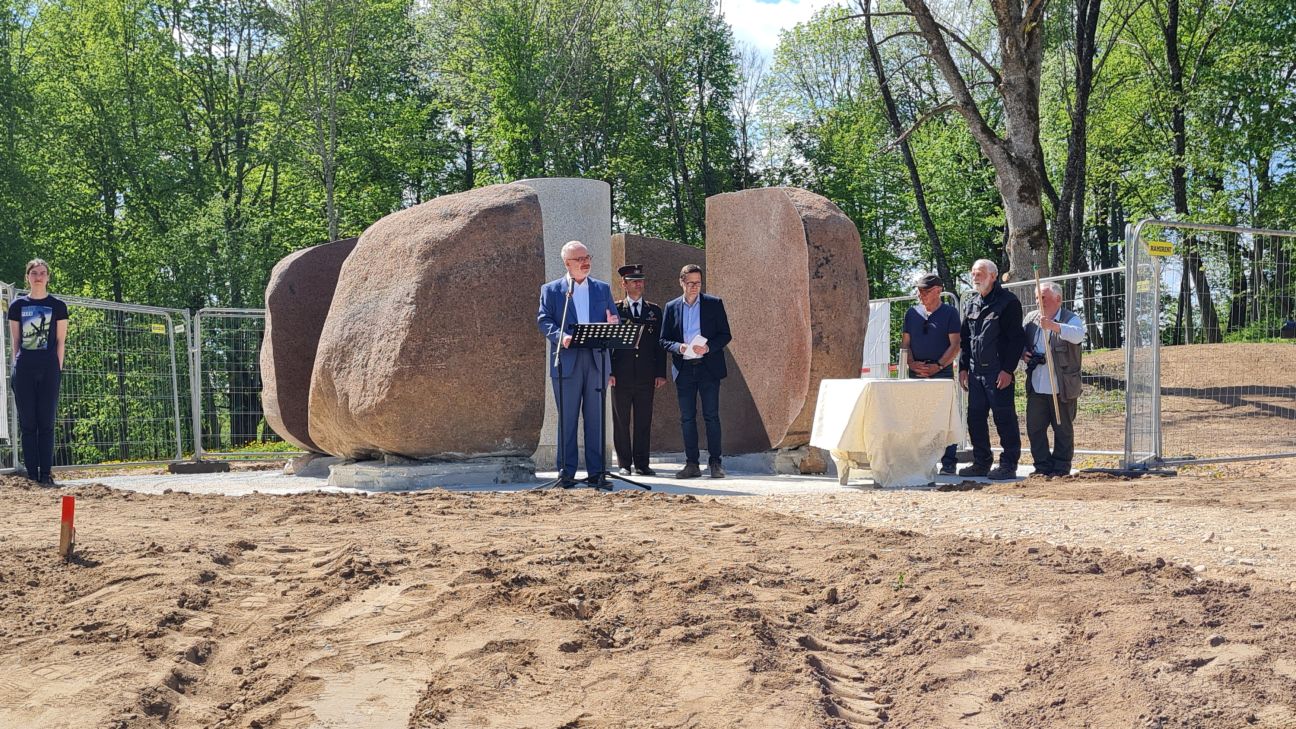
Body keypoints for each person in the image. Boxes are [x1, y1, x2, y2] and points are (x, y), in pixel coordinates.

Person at [537, 241, 619, 487]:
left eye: (587, 256)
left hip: (596, 360)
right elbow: (543, 320)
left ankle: (597, 473)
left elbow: (612, 318)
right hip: (567, 361)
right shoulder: (551, 290)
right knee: (568, 419)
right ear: (567, 264)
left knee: (595, 419)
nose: (586, 262)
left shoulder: (602, 289)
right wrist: (561, 337)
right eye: (579, 259)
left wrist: (613, 325)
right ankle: (566, 472)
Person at [661, 264, 732, 479]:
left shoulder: (713, 304)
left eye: (698, 283)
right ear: (681, 282)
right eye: (690, 283)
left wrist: (709, 346)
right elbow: (663, 340)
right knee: (687, 418)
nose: (694, 287)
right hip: (684, 369)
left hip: (708, 368)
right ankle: (691, 463)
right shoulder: (672, 307)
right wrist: (679, 347)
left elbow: (725, 334)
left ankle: (715, 463)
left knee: (711, 416)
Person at [958, 259, 1025, 480]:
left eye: (980, 273)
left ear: (993, 276)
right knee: (975, 418)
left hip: (998, 372)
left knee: (1004, 418)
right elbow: (965, 340)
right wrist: (963, 368)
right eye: (973, 273)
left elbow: (1016, 340)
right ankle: (981, 462)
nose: (975, 277)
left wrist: (1007, 370)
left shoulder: (1008, 302)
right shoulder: (971, 303)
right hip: (975, 373)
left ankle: (1008, 464)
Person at [7, 258, 69, 486]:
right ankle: (32, 474)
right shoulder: (17, 306)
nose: (39, 276)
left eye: (43, 273)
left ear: (48, 277)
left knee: (46, 422)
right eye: (34, 273)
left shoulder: (58, 306)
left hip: (49, 369)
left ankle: (46, 473)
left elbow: (61, 341)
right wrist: (17, 365)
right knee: (28, 424)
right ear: (28, 277)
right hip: (24, 370)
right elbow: (15, 341)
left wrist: (57, 368)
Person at [900, 272, 962, 475]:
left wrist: (938, 365)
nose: (921, 295)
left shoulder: (950, 313)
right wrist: (911, 363)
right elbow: (905, 344)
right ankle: (921, 461)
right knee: (918, 419)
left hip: (941, 374)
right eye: (918, 291)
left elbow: (955, 344)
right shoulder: (911, 313)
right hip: (916, 373)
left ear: (938, 290)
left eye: (925, 291)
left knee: (944, 418)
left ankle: (949, 462)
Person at [1022, 281, 1085, 476]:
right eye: (1036, 298)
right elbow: (1021, 342)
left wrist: (1054, 326)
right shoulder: (1031, 319)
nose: (1039, 302)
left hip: (1062, 386)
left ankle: (1061, 468)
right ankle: (1042, 466)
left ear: (1058, 299)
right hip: (1038, 385)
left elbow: (1078, 336)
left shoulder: (1070, 318)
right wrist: (1023, 353)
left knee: (1063, 429)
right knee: (1034, 428)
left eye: (1043, 298)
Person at [609, 264, 666, 477]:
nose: (638, 284)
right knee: (621, 420)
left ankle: (642, 463)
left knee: (643, 420)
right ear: (624, 284)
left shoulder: (654, 311)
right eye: (633, 281)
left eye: (641, 280)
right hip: (620, 375)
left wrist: (660, 373)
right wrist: (609, 371)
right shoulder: (615, 309)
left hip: (646, 375)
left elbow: (659, 346)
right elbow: (608, 343)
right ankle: (624, 463)